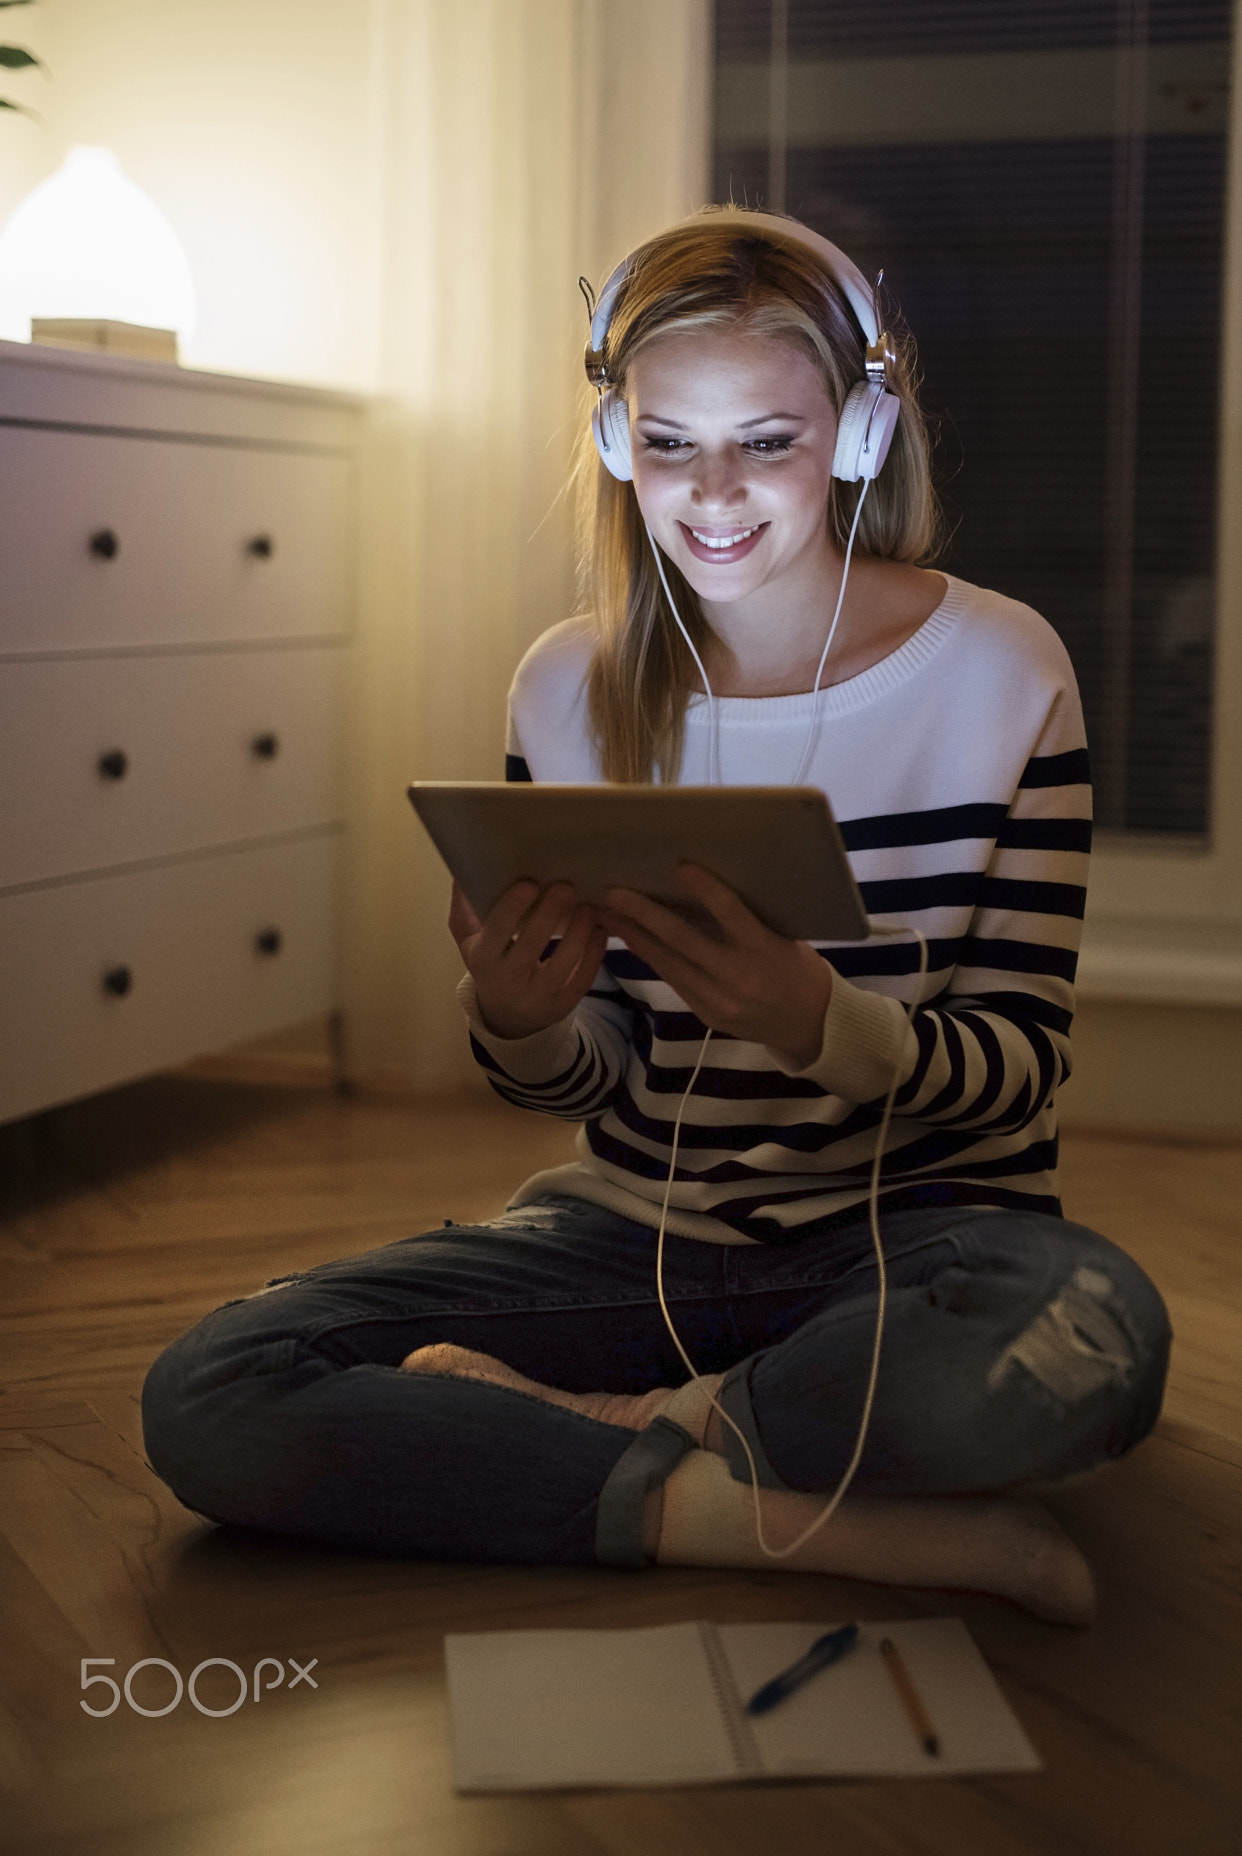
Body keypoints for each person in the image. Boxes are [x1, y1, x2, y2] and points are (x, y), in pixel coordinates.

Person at [143, 210, 1170, 1626]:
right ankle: (747, 1507)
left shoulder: (1000, 669)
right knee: (213, 1389)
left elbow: (1024, 1068)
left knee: (1092, 1332)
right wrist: (523, 1020)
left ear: (859, 436)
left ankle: (609, 1436)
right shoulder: (564, 689)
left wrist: (821, 1027)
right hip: (633, 1245)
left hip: (917, 1247)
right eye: (670, 440)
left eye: (767, 440)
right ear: (617, 441)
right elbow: (590, 1083)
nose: (712, 490)